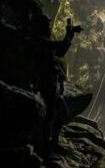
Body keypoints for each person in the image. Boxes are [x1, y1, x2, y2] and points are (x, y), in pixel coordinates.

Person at [31, 15, 82, 149]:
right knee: (50, 116)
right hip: (46, 84)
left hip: (53, 84)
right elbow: (62, 46)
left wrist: (70, 33)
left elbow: (61, 52)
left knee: (57, 115)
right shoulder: (40, 42)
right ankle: (46, 146)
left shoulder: (43, 42)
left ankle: (52, 143)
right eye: (47, 26)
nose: (49, 28)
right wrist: (69, 32)